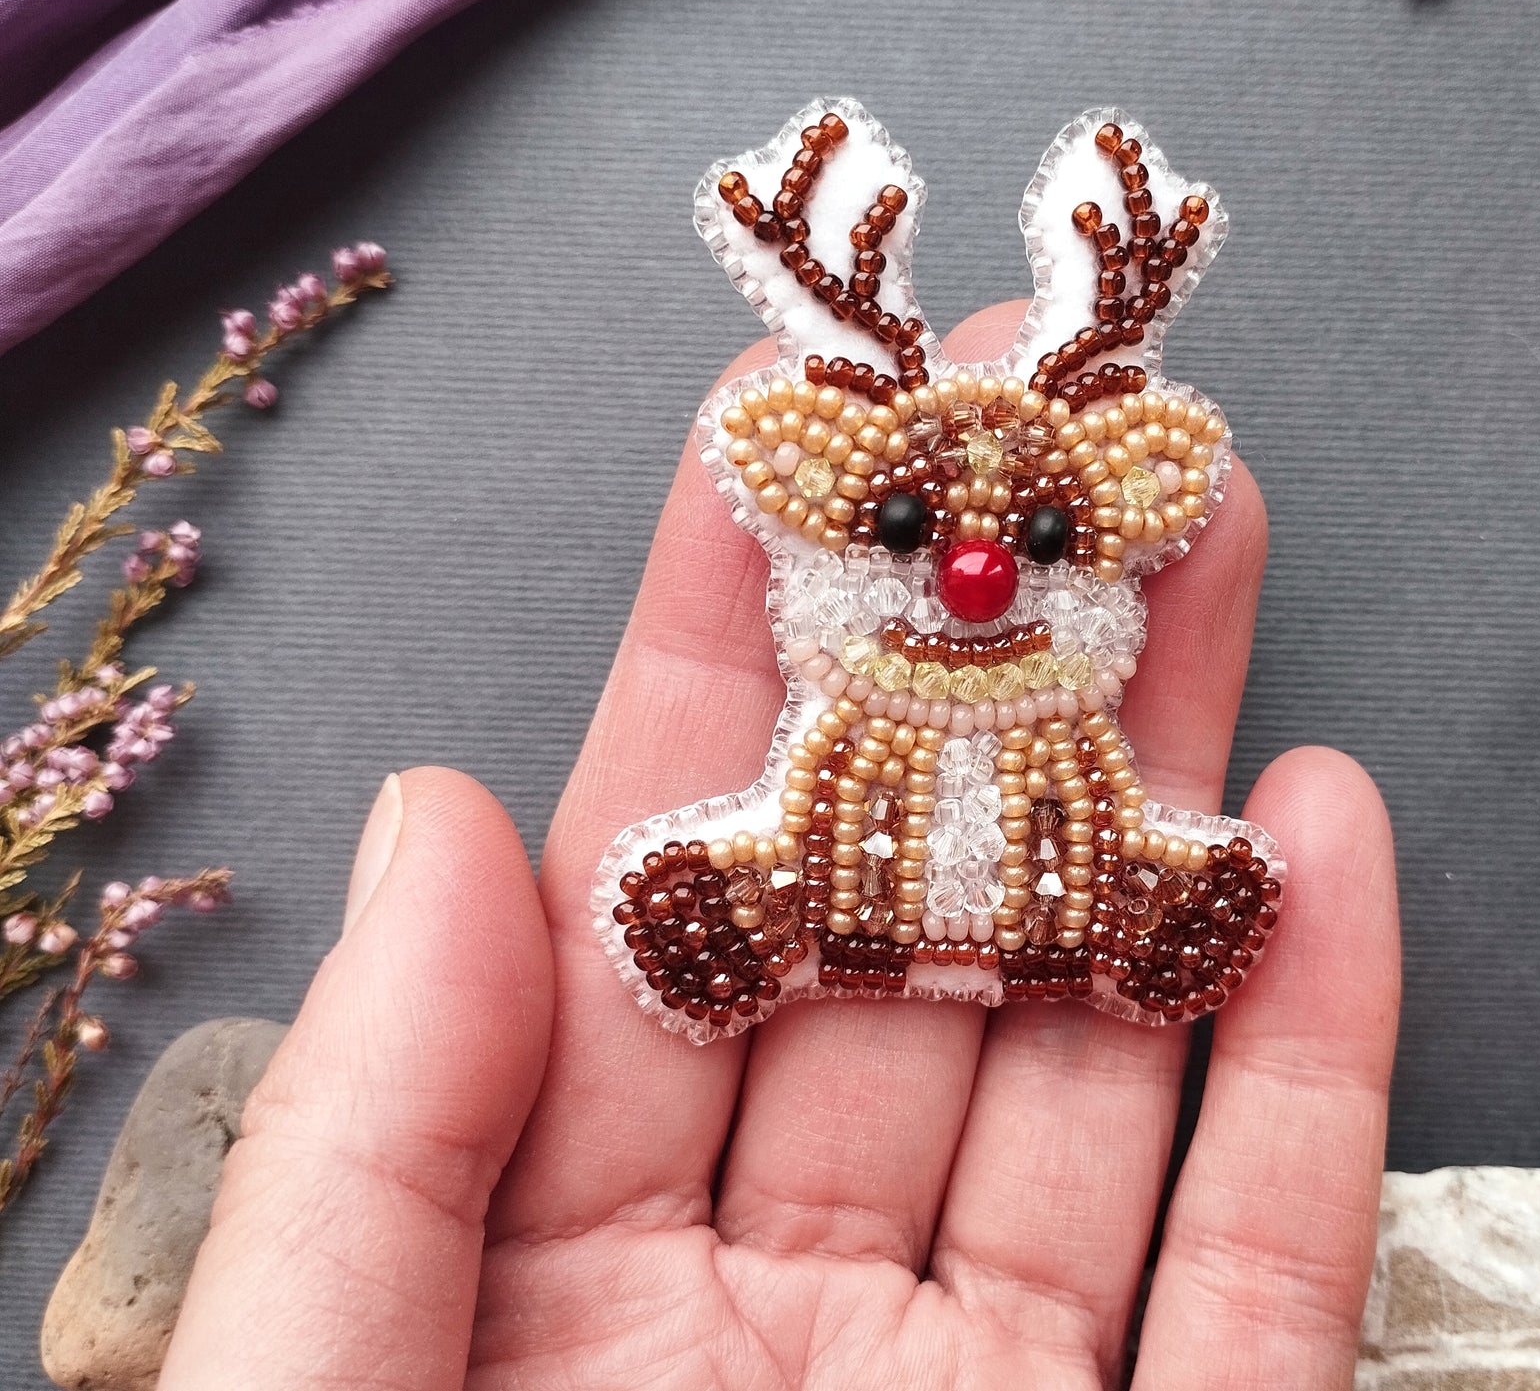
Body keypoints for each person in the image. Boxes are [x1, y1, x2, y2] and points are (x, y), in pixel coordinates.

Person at [155, 303, 1400, 1390]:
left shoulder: (1070, 718)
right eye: (914, 526)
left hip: (1063, 856)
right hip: (836, 876)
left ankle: (1100, 920)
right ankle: (796, 919)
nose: (972, 575)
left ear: (1135, 504)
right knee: (784, 863)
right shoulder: (842, 716)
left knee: (1096, 846)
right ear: (812, 489)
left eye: (1031, 544)